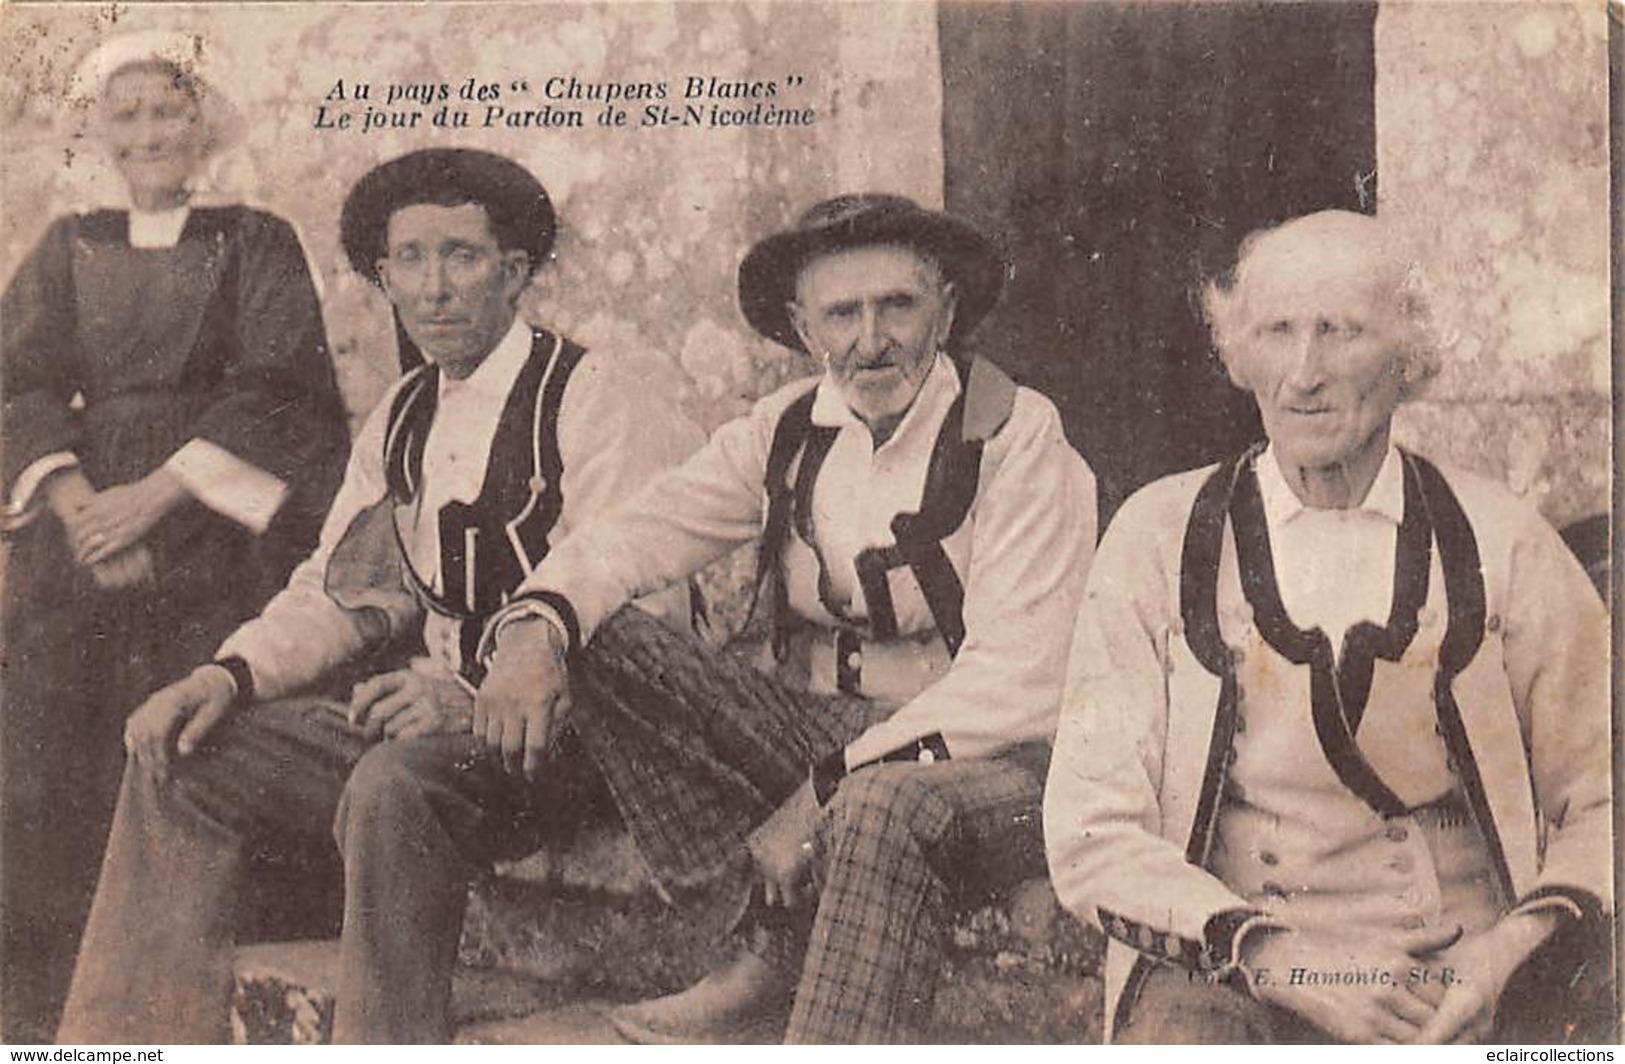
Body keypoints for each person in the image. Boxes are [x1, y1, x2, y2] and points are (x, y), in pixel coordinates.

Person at [55, 147, 699, 1044]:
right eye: (409, 262)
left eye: (462, 257)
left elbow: (648, 618)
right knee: (185, 750)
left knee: (393, 785)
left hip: (587, 744)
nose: (434, 288)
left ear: (514, 274)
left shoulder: (592, 397)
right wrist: (225, 675)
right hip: (445, 743)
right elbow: (340, 593)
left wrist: (473, 696)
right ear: (385, 279)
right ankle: (124, 1041)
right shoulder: (403, 416)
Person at [473, 194, 1099, 1043]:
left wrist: (820, 794)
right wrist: (531, 628)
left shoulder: (1016, 437)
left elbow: (1022, 682)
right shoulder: (791, 428)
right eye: (841, 313)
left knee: (879, 803)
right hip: (829, 737)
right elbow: (640, 533)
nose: (869, 340)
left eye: (898, 305)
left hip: (993, 762)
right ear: (804, 330)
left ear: (946, 311)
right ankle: (766, 943)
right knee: (598, 635)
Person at [1043, 210, 1611, 1045]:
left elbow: (1603, 796)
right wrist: (1288, 965)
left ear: (1408, 357)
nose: (1302, 373)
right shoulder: (1159, 537)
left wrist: (1500, 959)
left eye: (1339, 332)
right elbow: (1091, 829)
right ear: (1237, 353)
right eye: (1275, 331)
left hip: (1461, 982)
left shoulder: (1501, 540)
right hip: (1236, 976)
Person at [0, 31, 347, 1042]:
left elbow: (283, 391)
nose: (150, 132)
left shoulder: (257, 240)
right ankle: (57, 1016)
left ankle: (215, 1021)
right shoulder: (69, 245)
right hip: (79, 554)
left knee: (202, 746)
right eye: (129, 113)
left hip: (216, 550)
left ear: (203, 122)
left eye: (170, 110)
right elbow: (14, 383)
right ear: (98, 131)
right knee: (55, 772)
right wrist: (79, 510)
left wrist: (152, 499)